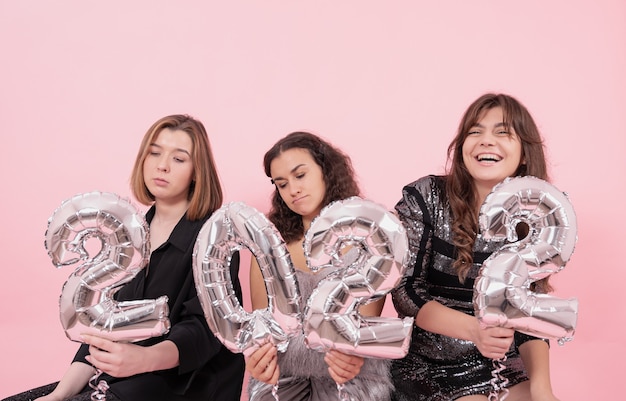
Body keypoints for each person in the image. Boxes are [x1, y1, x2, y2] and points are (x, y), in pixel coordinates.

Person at [3, 115, 245, 401]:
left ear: (197, 171)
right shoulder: (128, 236)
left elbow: (204, 332)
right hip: (124, 380)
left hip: (185, 388)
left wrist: (144, 359)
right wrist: (59, 395)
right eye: (154, 153)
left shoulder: (215, 240)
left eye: (179, 159)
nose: (162, 165)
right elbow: (103, 324)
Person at [390, 93, 560, 401]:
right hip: (429, 363)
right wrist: (473, 330)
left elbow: (528, 312)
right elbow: (406, 292)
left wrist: (542, 387)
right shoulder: (425, 198)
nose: (486, 141)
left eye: (502, 132)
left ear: (523, 154)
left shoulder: (538, 216)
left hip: (499, 363)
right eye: (475, 131)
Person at [246, 131, 393, 401]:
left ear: (325, 169)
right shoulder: (269, 247)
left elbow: (356, 333)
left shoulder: (369, 238)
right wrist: (259, 358)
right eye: (282, 183)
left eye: (300, 175)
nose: (293, 190)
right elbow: (265, 334)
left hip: (353, 376)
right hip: (284, 379)